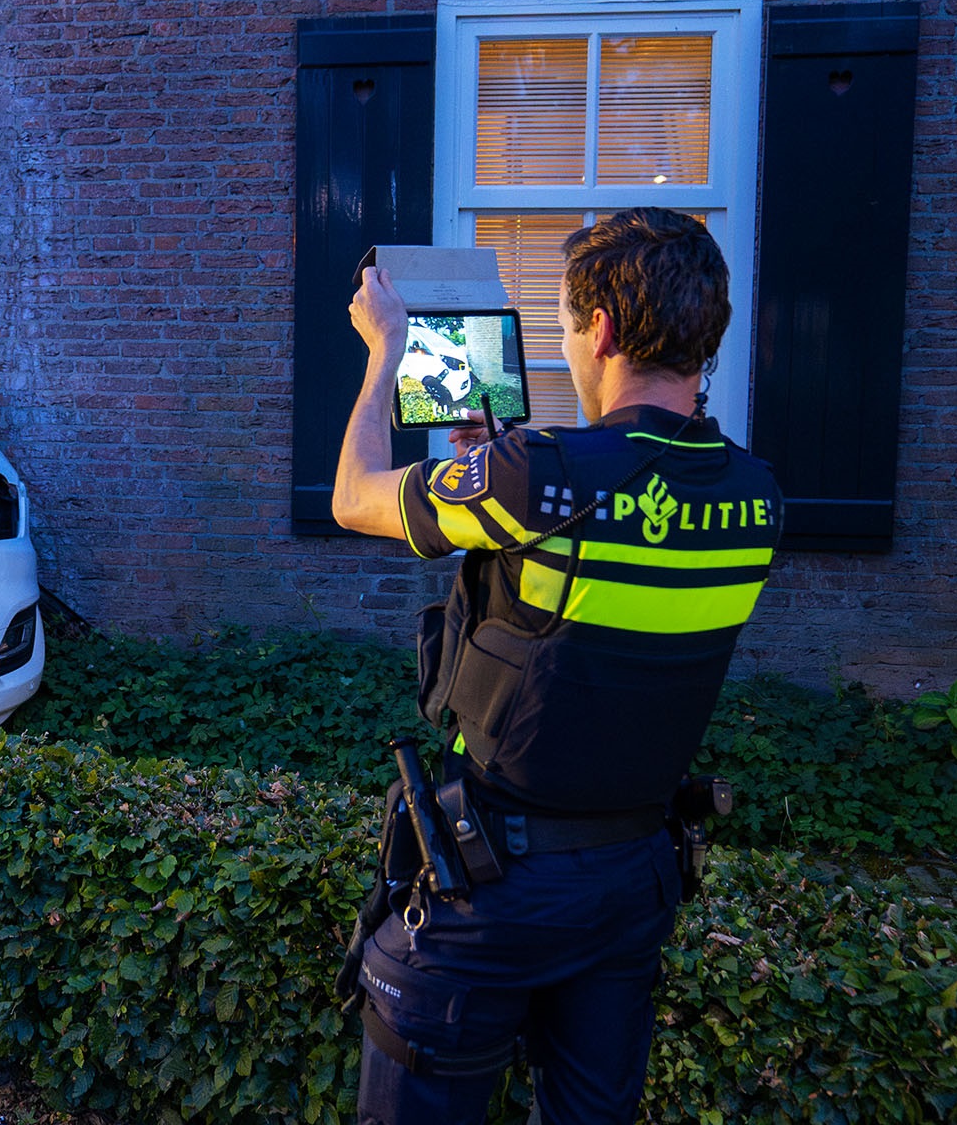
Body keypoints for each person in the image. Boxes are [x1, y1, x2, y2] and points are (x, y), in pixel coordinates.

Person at [331, 208, 783, 1125]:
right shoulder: (758, 497)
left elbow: (353, 497)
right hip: (634, 881)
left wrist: (387, 354)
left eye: (569, 327)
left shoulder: (536, 476)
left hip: (495, 884)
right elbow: (606, 577)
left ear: (602, 331)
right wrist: (498, 465)